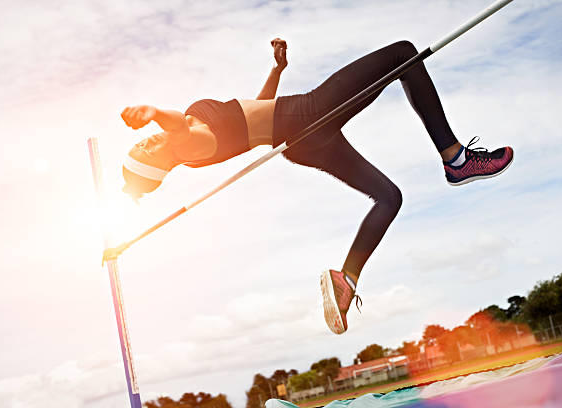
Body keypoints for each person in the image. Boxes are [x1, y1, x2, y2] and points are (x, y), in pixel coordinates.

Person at [120, 38, 513, 335]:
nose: (145, 141)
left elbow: (254, 117)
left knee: (389, 197)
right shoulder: (186, 143)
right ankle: (455, 159)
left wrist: (277, 70)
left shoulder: (191, 134)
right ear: (162, 165)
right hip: (307, 113)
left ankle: (347, 280)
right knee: (403, 55)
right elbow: (174, 126)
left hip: (298, 139)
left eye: (139, 143)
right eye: (145, 150)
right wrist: (154, 113)